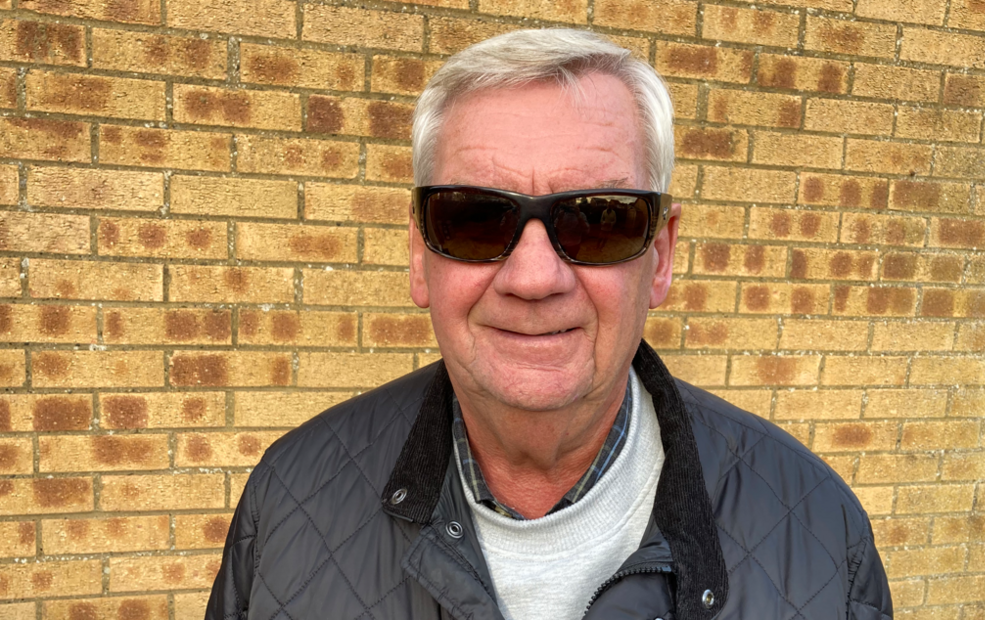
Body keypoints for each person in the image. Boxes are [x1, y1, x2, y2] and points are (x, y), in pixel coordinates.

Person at [206, 28, 892, 620]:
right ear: (420, 255)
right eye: (474, 218)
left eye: (597, 219)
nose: (534, 278)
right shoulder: (288, 502)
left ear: (661, 255)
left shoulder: (821, 533)